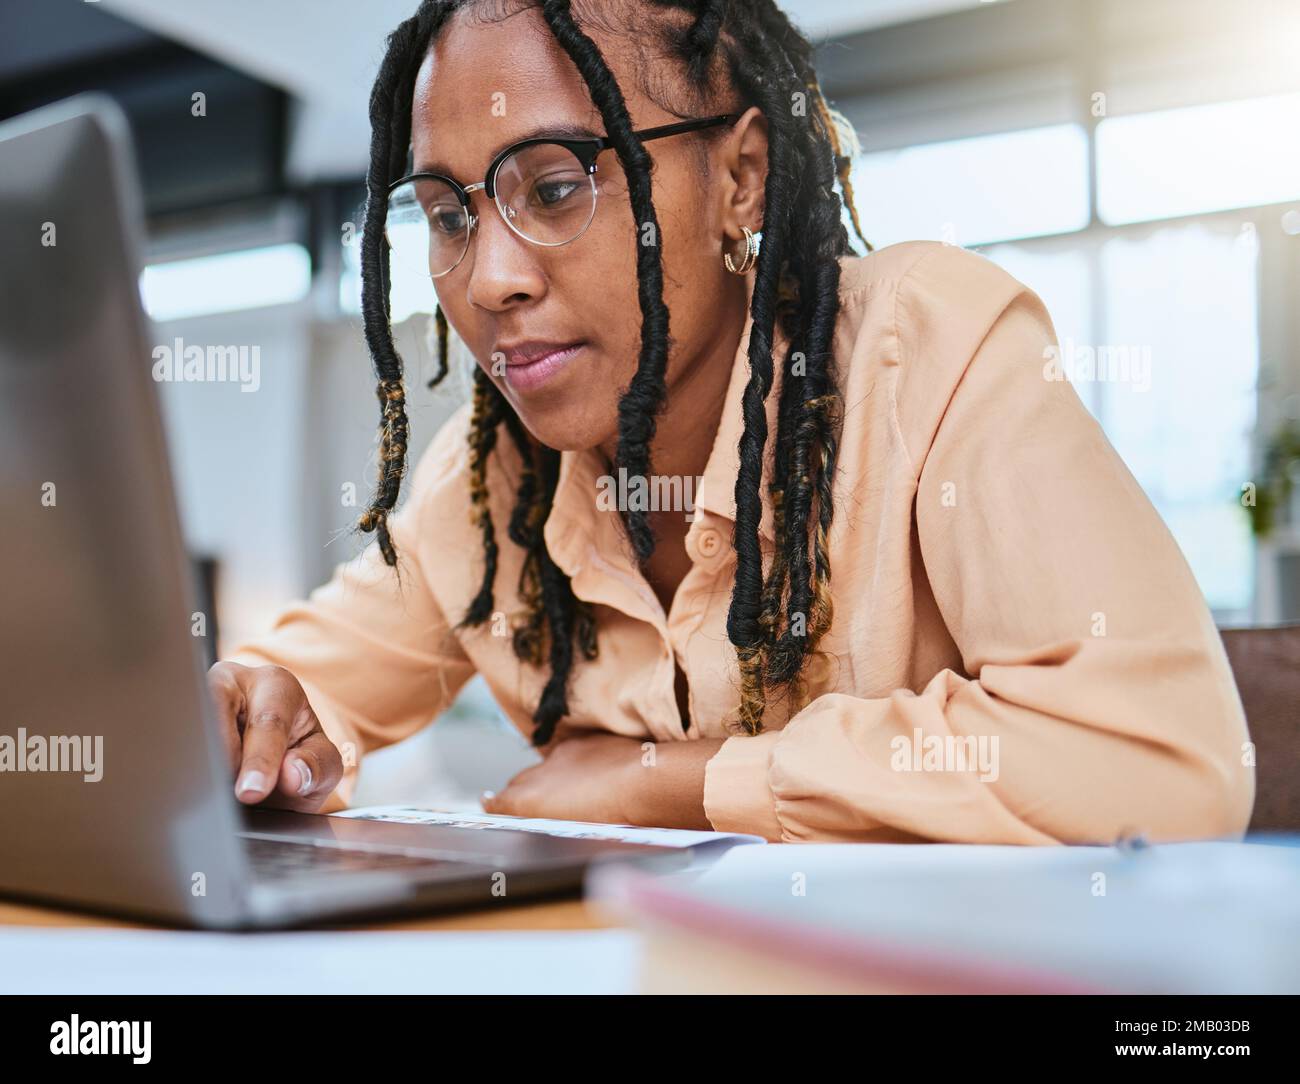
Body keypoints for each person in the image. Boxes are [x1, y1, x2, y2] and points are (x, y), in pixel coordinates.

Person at [210, 0, 1254, 844]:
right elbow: (302, 686)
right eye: (447, 215)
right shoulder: (487, 480)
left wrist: (668, 783)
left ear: (740, 178)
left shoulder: (928, 348)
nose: (487, 279)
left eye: (558, 186)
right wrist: (254, 712)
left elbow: (1163, 763)